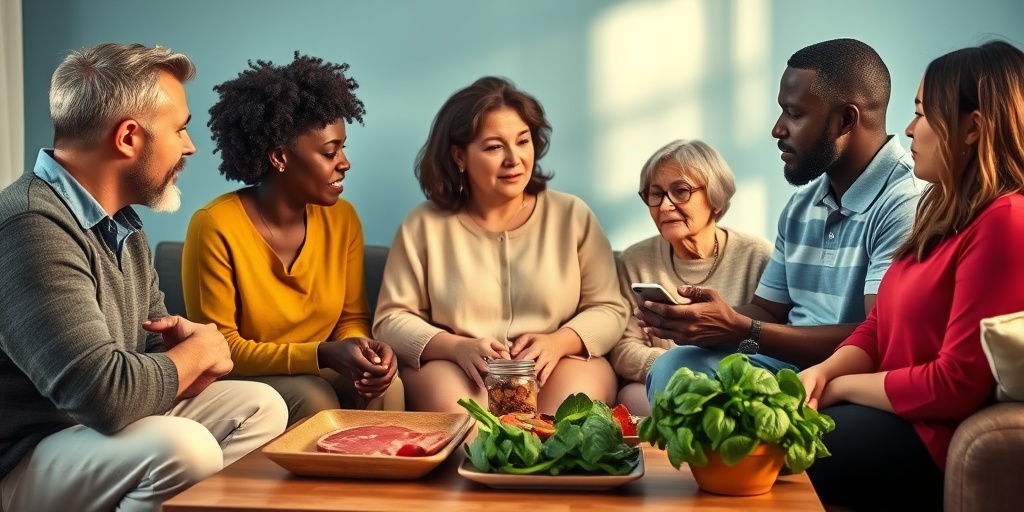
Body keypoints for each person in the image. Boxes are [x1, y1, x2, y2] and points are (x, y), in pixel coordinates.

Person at [0, 43, 287, 512]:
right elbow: (105, 397)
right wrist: (200, 351)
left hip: (92, 436)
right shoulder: (30, 225)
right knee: (183, 447)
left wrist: (185, 353)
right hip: (24, 457)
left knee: (261, 406)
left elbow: (151, 350)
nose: (190, 145)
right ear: (129, 137)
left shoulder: (122, 225)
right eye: (180, 129)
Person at [801, 40, 1024, 511]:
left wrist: (838, 388)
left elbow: (954, 385)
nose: (909, 129)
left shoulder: (1006, 222)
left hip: (925, 436)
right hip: (882, 410)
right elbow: (878, 326)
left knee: (772, 447)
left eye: (922, 113)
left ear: (972, 128)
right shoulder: (938, 210)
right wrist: (820, 374)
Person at [640, 38, 919, 402]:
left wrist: (743, 329)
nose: (777, 129)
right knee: (674, 367)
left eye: (795, 114)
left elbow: (880, 336)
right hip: (787, 368)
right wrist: (702, 320)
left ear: (845, 120)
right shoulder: (801, 206)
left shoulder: (905, 203)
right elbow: (769, 310)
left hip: (852, 380)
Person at [373, 76, 627, 413]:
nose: (514, 159)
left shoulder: (573, 215)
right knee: (466, 425)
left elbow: (610, 308)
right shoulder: (423, 225)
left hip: (558, 365)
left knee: (565, 424)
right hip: (458, 367)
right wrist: (455, 347)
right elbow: (391, 319)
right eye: (494, 147)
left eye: (523, 142)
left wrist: (559, 342)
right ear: (458, 155)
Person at [183, 53, 402, 427]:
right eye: (330, 153)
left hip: (319, 365)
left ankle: (381, 483)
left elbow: (351, 318)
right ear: (280, 157)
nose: (345, 162)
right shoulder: (214, 226)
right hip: (242, 379)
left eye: (343, 148)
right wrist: (322, 354)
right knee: (313, 396)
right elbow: (221, 349)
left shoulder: (342, 218)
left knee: (388, 385)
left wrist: (364, 351)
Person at [611, 139, 772, 414]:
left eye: (681, 191)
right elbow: (625, 348)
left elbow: (767, 339)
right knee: (632, 397)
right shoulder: (635, 260)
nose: (664, 206)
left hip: (733, 383)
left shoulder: (757, 256)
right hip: (658, 383)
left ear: (715, 198)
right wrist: (676, 367)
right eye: (655, 194)